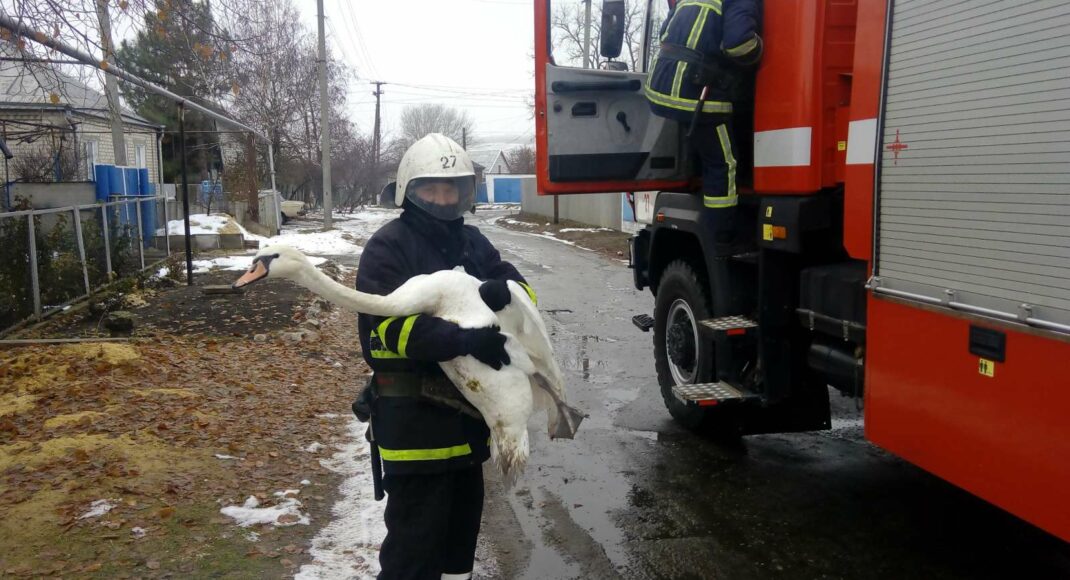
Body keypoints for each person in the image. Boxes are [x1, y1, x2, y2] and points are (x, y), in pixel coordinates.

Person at [355, 133, 536, 580]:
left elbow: (525, 295)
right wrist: (463, 340)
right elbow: (381, 336)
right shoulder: (388, 248)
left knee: (459, 557)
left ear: (464, 193)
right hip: (414, 430)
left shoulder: (474, 245)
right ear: (408, 191)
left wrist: (506, 294)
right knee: (412, 558)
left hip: (466, 431)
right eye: (430, 189)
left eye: (450, 188)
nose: (441, 198)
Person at [644, 0, 763, 253]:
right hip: (694, 96)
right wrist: (761, 48)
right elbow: (739, 44)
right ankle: (721, 237)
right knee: (724, 163)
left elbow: (667, 31)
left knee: (701, 141)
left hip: (660, 88)